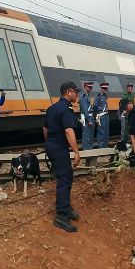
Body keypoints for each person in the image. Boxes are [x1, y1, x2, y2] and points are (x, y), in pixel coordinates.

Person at [43, 81, 81, 232]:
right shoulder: (66, 109)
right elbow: (68, 131)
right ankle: (61, 217)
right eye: (75, 92)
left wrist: (51, 144)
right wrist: (76, 152)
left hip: (52, 146)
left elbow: (45, 129)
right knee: (64, 180)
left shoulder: (52, 108)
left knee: (66, 176)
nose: (77, 95)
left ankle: (65, 207)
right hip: (59, 148)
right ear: (68, 92)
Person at [78, 81, 95, 150]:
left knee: (90, 135)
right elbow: (85, 110)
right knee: (87, 135)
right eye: (89, 87)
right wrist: (89, 120)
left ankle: (89, 149)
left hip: (90, 117)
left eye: (91, 87)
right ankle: (86, 150)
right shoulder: (83, 97)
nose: (90, 88)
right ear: (85, 87)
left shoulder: (87, 96)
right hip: (87, 118)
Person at [95, 82, 110, 148]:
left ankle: (105, 145)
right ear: (101, 88)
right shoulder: (98, 96)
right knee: (101, 131)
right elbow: (95, 106)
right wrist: (100, 110)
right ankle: (100, 146)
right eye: (104, 88)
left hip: (106, 115)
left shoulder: (105, 96)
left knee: (106, 131)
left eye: (106, 88)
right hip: (101, 115)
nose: (105, 90)